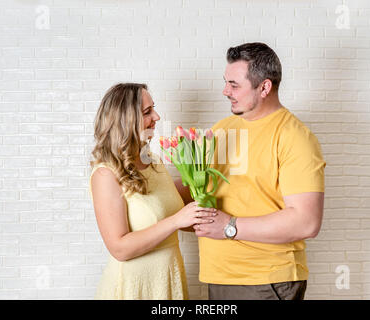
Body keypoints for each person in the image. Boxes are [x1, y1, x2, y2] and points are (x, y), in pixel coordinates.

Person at [186, 42, 326, 300]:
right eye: (226, 82)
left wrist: (229, 227)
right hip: (218, 277)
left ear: (264, 87)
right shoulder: (221, 129)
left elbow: (307, 221)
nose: (225, 91)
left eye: (234, 84)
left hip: (266, 283)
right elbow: (200, 189)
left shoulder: (295, 138)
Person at [89, 83, 216, 300]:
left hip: (167, 282)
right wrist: (177, 220)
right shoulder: (105, 174)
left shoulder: (154, 162)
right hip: (133, 288)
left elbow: (169, 216)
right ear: (126, 120)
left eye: (153, 109)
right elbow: (119, 248)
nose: (156, 117)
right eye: (147, 112)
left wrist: (202, 179)